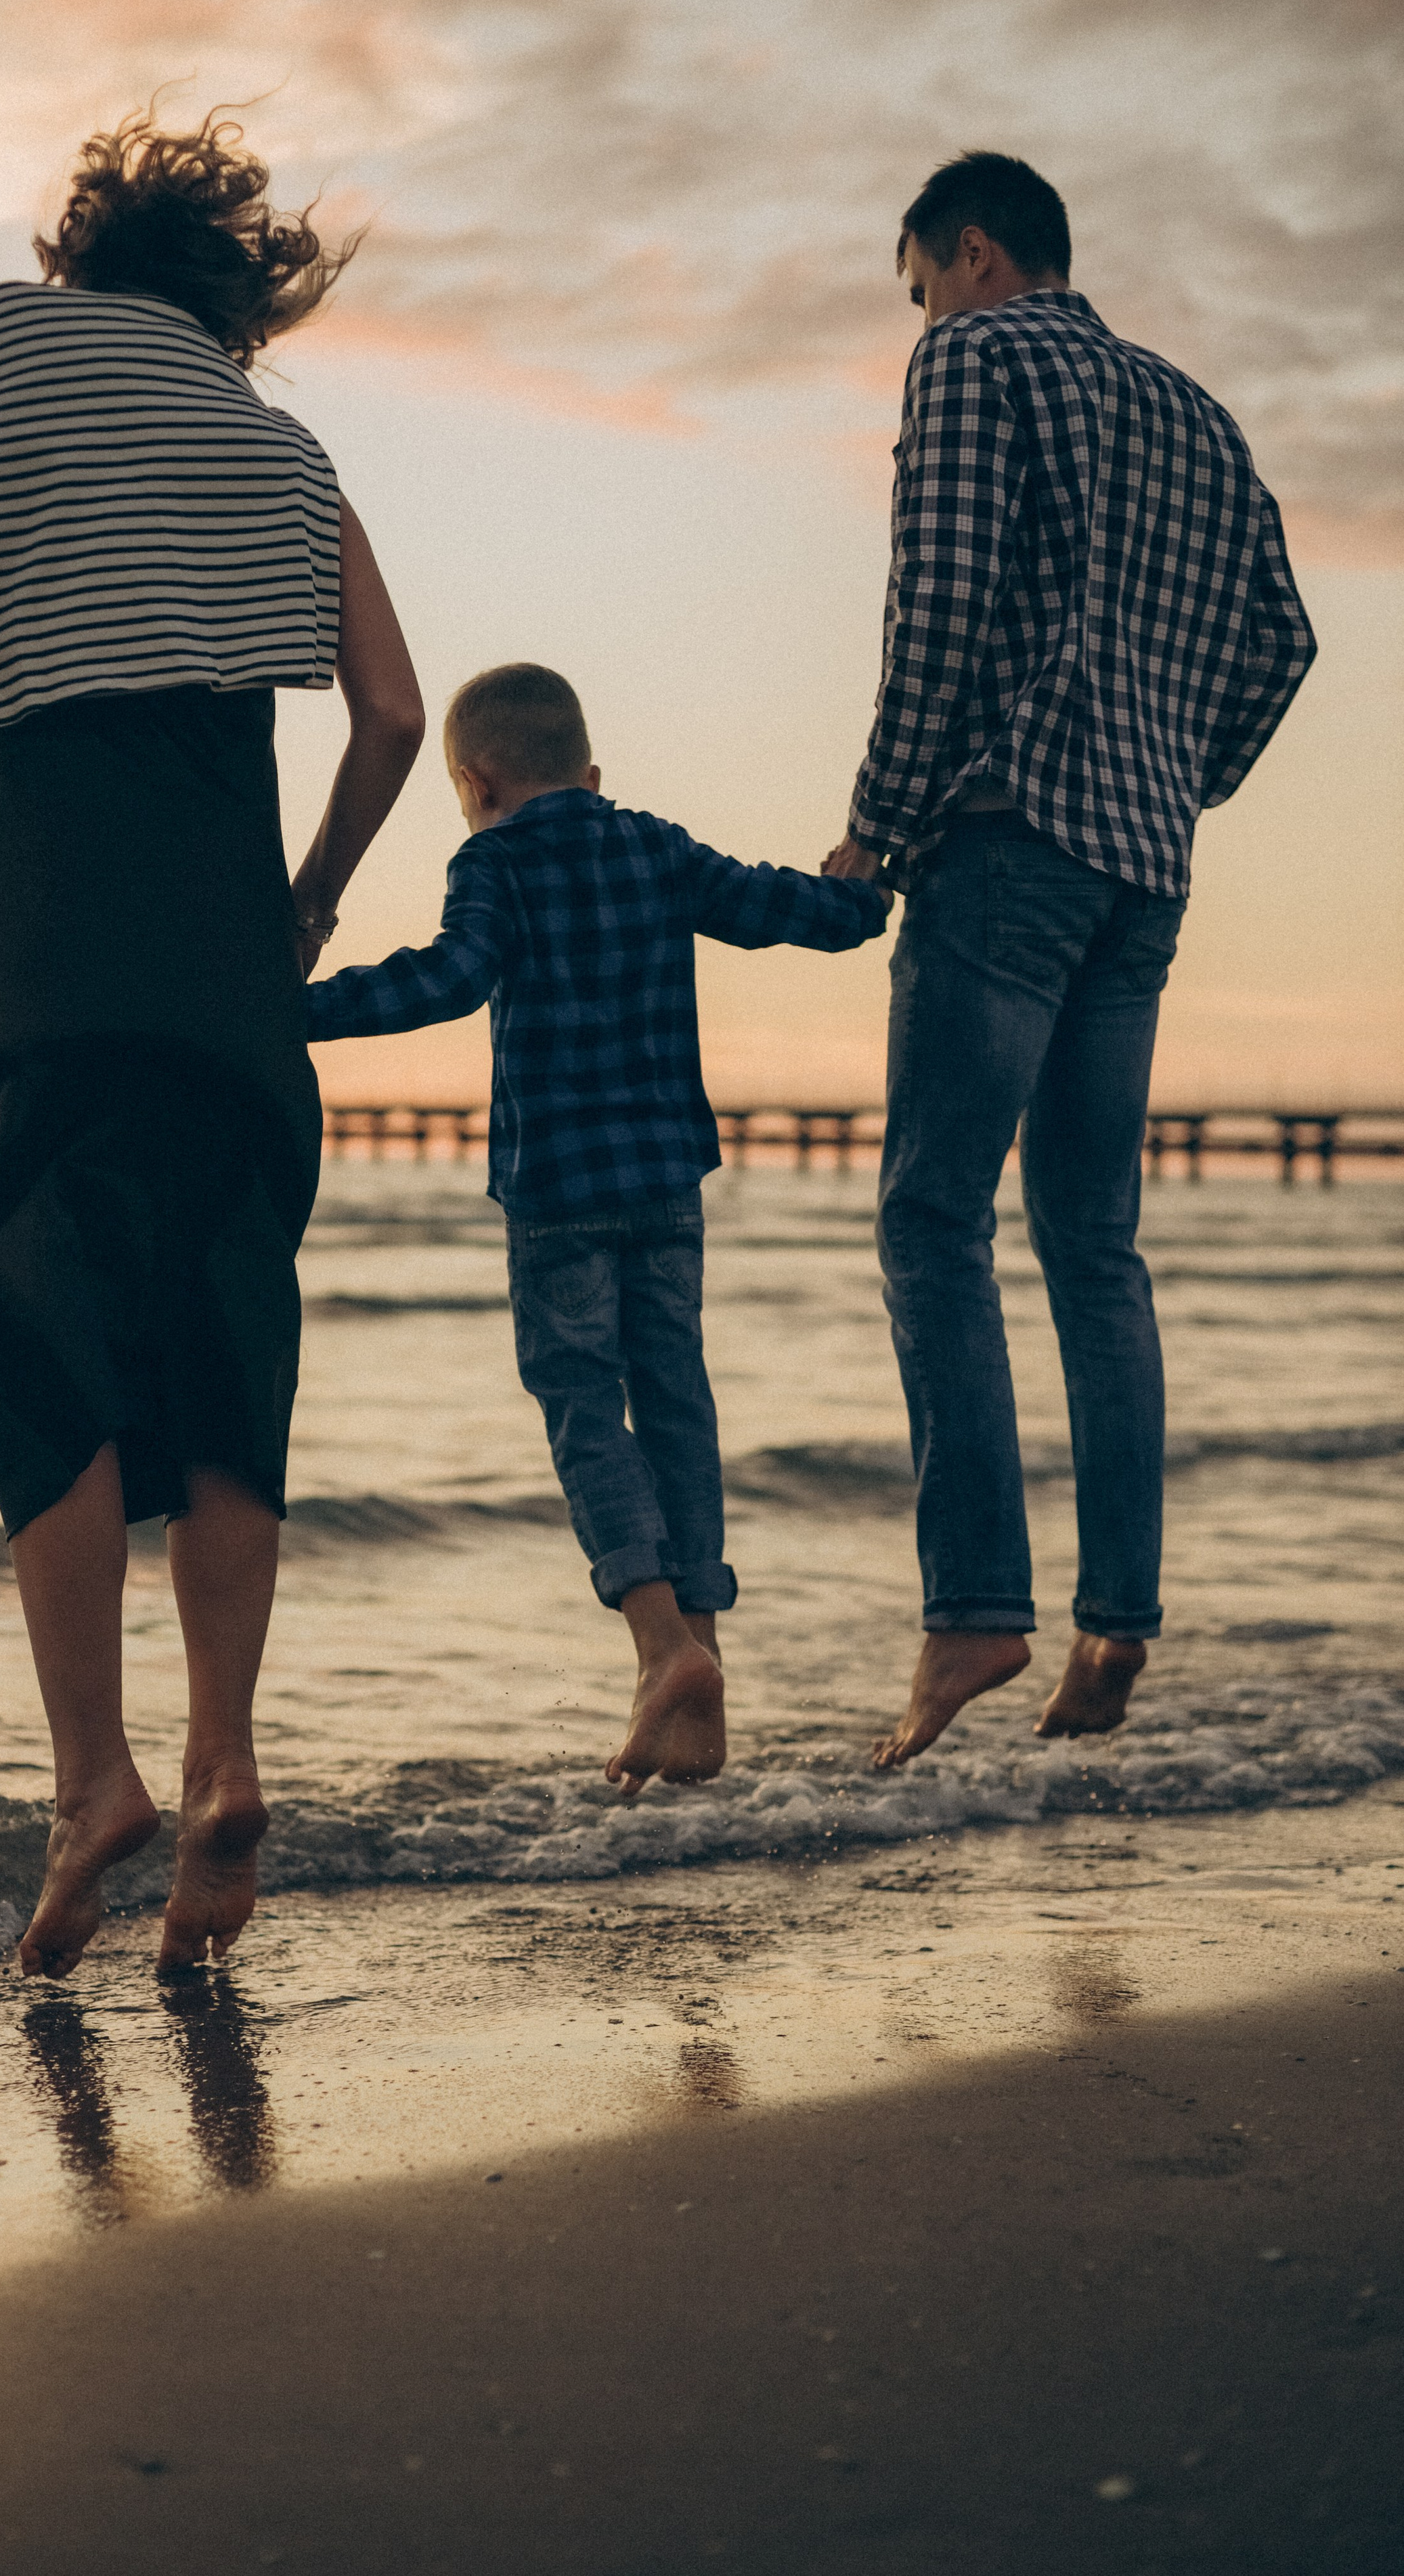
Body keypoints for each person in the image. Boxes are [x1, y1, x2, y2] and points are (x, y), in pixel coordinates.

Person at [0, 110, 424, 1977]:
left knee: (39, 1319)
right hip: (222, 941)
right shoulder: (284, 456)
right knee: (224, 1335)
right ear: (238, 304)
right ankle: (223, 1755)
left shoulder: (0, 353)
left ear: (81, 261)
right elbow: (391, 713)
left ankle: (90, 1781)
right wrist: (307, 903)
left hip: (46, 917)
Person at [818, 152, 1317, 1770]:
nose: (921, 311)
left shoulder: (975, 357)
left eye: (917, 281)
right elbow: (1281, 642)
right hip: (1141, 871)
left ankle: (973, 1604)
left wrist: (877, 824)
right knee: (1092, 1250)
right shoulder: (1197, 414)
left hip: (1013, 837)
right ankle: (1116, 1619)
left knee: (929, 1219)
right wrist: (1174, 767)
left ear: (969, 253)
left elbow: (939, 605)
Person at [306, 664, 891, 1795]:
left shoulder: (493, 861)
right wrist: (860, 894)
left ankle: (660, 1646)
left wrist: (297, 1012)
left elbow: (451, 978)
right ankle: (705, 1670)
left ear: (472, 782)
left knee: (583, 1405)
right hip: (668, 1180)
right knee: (677, 1399)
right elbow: (783, 911)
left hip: (558, 1188)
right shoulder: (653, 845)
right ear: (592, 773)